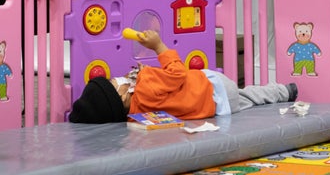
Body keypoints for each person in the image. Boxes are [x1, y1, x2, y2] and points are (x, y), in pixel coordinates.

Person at [69, 30, 297, 123]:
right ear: (119, 96)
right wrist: (158, 46)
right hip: (211, 87)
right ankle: (283, 91)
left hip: (212, 109)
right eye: (113, 82)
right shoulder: (144, 86)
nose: (117, 78)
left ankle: (280, 93)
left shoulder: (135, 117)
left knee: (248, 99)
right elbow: (176, 73)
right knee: (250, 93)